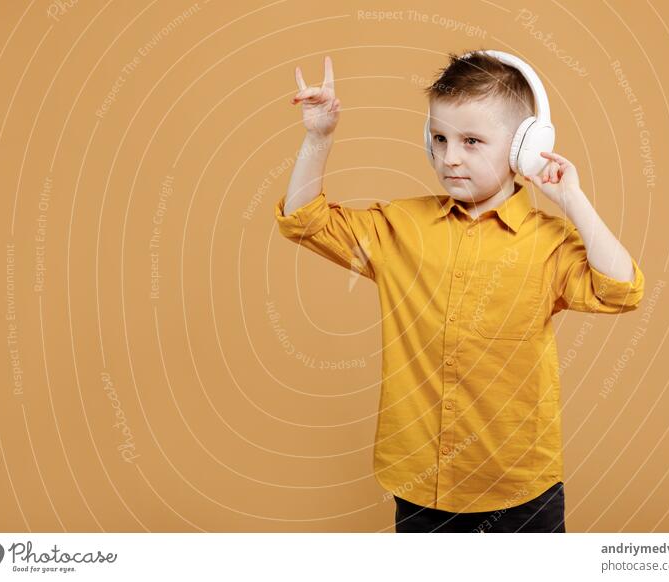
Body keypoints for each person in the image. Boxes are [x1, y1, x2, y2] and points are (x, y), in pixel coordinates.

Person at [274, 50, 645, 533]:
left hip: (520, 489)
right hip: (419, 485)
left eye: (472, 141)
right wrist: (317, 137)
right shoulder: (400, 226)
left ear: (523, 150)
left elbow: (621, 290)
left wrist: (572, 199)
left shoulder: (549, 243)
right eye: (439, 138)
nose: (450, 157)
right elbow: (306, 223)